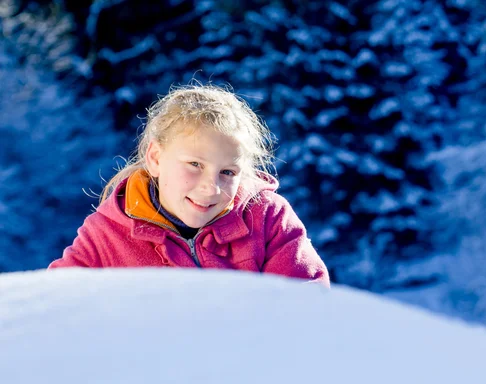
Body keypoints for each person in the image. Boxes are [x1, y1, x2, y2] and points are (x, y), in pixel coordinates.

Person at [48, 84, 330, 287]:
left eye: (228, 172)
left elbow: (306, 305)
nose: (211, 187)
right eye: (195, 165)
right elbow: (53, 304)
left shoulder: (267, 218)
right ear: (156, 158)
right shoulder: (107, 234)